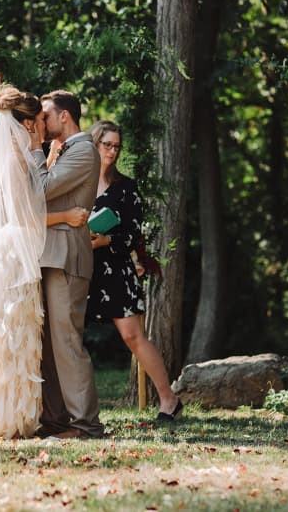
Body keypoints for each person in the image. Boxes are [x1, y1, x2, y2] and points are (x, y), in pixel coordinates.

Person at [0, 84, 88, 439]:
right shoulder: (15, 160)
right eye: (40, 119)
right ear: (28, 125)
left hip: (22, 251)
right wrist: (65, 217)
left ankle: (22, 413)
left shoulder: (24, 155)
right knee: (11, 331)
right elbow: (24, 215)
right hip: (16, 254)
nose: (44, 125)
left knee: (23, 334)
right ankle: (4, 415)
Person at [85, 120, 182, 420]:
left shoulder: (126, 187)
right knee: (69, 337)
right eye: (107, 145)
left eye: (117, 146)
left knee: (132, 336)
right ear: (94, 144)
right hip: (80, 268)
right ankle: (71, 409)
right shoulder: (78, 182)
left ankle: (169, 399)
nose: (112, 151)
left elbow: (133, 232)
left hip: (115, 268)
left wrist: (106, 240)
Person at [29, 90, 104, 439]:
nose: (41, 122)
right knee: (49, 345)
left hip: (67, 257)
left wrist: (35, 149)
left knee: (67, 342)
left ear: (65, 116)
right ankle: (56, 419)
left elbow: (41, 191)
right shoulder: (62, 151)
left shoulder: (84, 150)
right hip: (49, 255)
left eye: (45, 115)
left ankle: (86, 423)